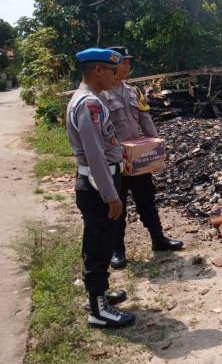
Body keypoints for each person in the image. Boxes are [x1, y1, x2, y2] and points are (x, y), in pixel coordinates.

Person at [67, 47, 135, 329]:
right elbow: (94, 154)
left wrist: (121, 159)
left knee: (102, 242)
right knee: (98, 245)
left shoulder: (93, 99)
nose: (114, 75)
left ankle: (99, 296)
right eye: (110, 70)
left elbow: (106, 141)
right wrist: (111, 196)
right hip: (98, 185)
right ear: (97, 71)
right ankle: (97, 310)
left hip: (103, 178)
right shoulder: (89, 104)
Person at [102, 45, 183, 269]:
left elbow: (146, 121)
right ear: (111, 66)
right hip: (115, 161)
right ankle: (118, 249)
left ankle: (158, 239)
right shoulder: (100, 96)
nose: (128, 66)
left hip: (137, 159)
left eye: (129, 62)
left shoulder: (134, 92)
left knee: (147, 199)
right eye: (123, 62)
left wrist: (155, 148)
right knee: (117, 204)